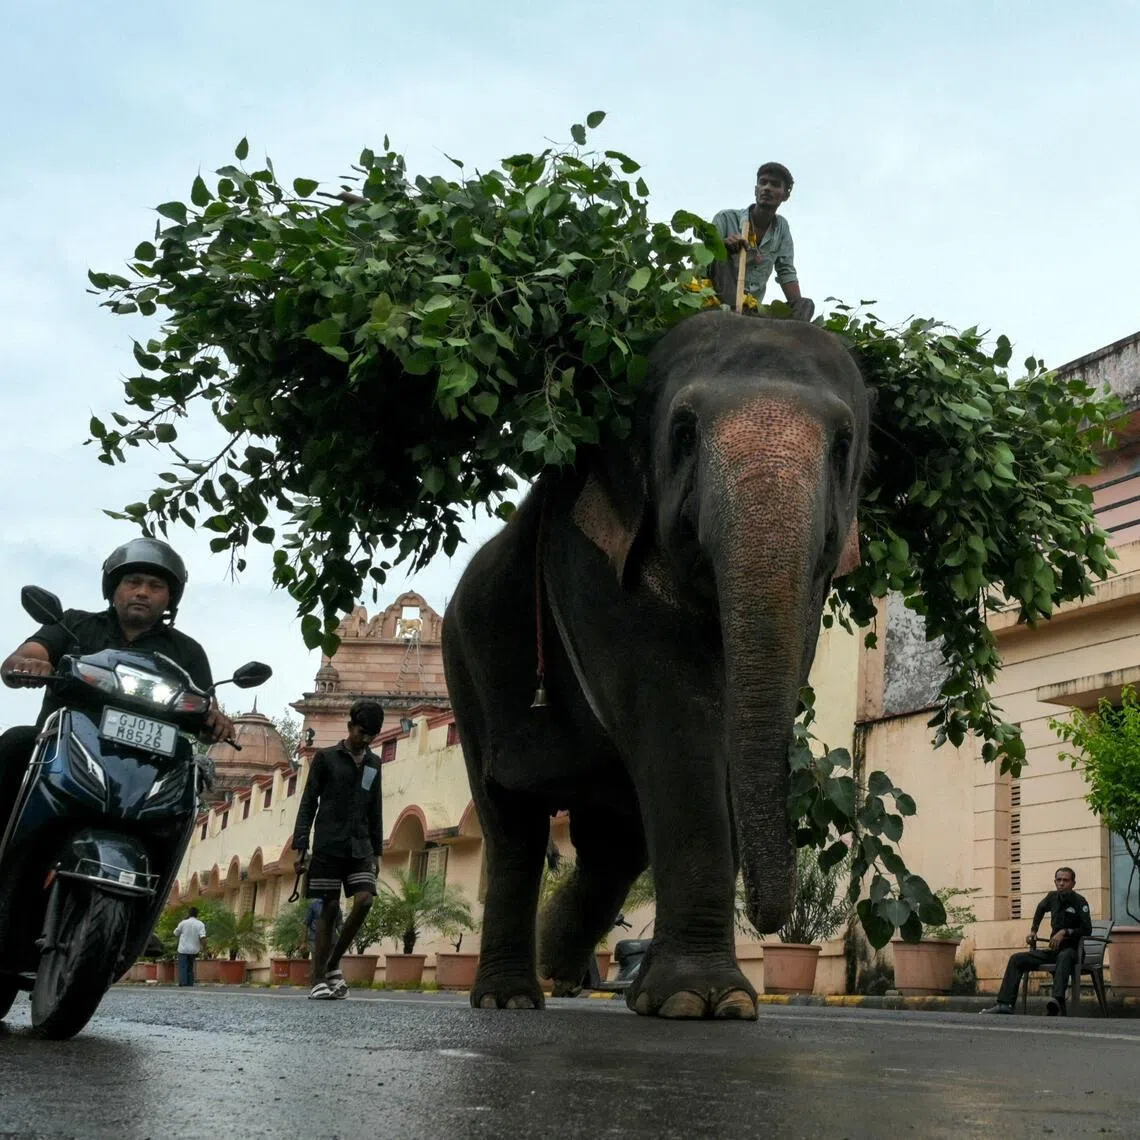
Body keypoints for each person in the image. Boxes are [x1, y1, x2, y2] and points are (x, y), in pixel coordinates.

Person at [0, 537, 235, 822]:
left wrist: (216, 722)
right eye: (133, 582)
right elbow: (23, 657)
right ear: (114, 589)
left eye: (155, 586)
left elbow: (206, 713)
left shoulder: (187, 652)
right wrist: (30, 664)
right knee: (16, 742)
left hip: (148, 769)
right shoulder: (74, 624)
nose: (142, 592)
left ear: (170, 597)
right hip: (60, 751)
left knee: (188, 790)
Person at [292, 699, 385, 1000]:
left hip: (360, 847)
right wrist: (301, 844)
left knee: (365, 901)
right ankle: (318, 979)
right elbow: (308, 802)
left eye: (371, 734)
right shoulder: (326, 758)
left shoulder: (374, 764)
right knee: (329, 908)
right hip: (328, 845)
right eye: (361, 732)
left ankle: (332, 965)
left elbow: (375, 808)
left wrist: (377, 852)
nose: (366, 739)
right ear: (349, 727)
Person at [981, 866, 1093, 1015]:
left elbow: (1087, 929)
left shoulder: (1080, 901)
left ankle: (1057, 1002)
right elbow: (1040, 909)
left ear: (1073, 883)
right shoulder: (1052, 897)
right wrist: (1033, 930)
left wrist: (1066, 932)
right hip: (1054, 950)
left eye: (1065, 880)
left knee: (1064, 956)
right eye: (1058, 880)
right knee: (1017, 959)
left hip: (1073, 952)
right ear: (1055, 882)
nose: (1061, 883)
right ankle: (1005, 1004)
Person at [711, 162, 813, 320]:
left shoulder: (782, 228)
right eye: (763, 182)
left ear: (785, 195)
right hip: (717, 297)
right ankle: (733, 312)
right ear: (755, 190)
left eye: (775, 185)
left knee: (806, 305)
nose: (767, 188)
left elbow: (786, 272)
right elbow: (704, 259)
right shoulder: (725, 218)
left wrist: (798, 306)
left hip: (753, 306)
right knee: (719, 257)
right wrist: (724, 247)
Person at [173, 906, 208, 987]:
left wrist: (183, 920)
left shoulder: (183, 923)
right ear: (197, 914)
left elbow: (175, 933)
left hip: (183, 949)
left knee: (183, 967)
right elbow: (203, 937)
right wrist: (205, 950)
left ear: (188, 914)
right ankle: (189, 983)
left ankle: (183, 983)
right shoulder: (200, 924)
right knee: (190, 967)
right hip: (194, 950)